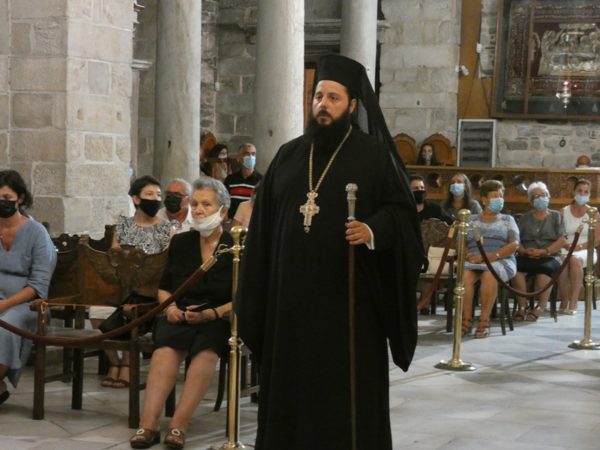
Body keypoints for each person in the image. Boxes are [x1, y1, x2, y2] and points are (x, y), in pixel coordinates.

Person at [236, 54, 423, 450]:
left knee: (342, 400)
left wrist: (372, 229)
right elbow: (263, 228)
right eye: (318, 96)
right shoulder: (288, 155)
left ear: (352, 105)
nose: (322, 104)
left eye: (333, 98)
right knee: (291, 396)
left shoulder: (373, 155)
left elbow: (402, 215)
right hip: (289, 310)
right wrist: (256, 297)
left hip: (349, 310)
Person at [129, 176, 232, 450]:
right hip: (180, 313)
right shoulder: (182, 242)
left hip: (217, 318)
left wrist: (212, 314)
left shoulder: (236, 245)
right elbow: (164, 288)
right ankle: (148, 425)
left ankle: (179, 424)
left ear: (223, 211)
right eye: (195, 204)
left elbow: (244, 296)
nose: (198, 210)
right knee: (165, 350)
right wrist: (171, 308)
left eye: (206, 204)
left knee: (205, 352)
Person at [90, 175, 174, 389]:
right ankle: (115, 361)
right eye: (149, 194)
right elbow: (114, 258)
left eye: (158, 195)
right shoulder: (124, 226)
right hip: (121, 286)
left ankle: (127, 364)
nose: (155, 199)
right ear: (136, 199)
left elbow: (166, 264)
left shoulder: (166, 228)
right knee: (96, 313)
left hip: (150, 291)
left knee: (132, 310)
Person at [0, 170, 57, 406]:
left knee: (5, 325)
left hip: (28, 305)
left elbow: (38, 284)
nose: (1, 202)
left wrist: (4, 304)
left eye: (6, 197)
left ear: (20, 198)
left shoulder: (36, 233)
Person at [462, 180, 519, 338]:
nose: (499, 199)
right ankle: (466, 320)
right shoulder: (471, 219)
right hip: (473, 259)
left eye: (501, 196)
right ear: (484, 199)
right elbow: (459, 243)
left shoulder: (508, 220)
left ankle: (484, 321)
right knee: (465, 276)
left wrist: (492, 256)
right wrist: (469, 255)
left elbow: (514, 244)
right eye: (495, 196)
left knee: (489, 274)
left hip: (501, 259)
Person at [512, 182, 566, 322]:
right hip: (527, 255)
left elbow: (562, 239)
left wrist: (544, 251)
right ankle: (522, 306)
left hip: (550, 256)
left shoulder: (556, 216)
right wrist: (524, 251)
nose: (540, 198)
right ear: (531, 201)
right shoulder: (525, 218)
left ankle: (540, 307)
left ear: (548, 197)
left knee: (544, 271)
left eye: (543, 195)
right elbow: (516, 239)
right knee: (514, 268)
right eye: (536, 196)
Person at [558, 179, 600, 314]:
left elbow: (596, 240)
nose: (582, 194)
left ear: (589, 194)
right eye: (579, 191)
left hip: (586, 249)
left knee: (575, 260)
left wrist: (580, 247)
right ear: (574, 192)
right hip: (565, 247)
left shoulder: (593, 213)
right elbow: (558, 234)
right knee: (564, 261)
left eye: (586, 192)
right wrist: (566, 244)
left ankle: (574, 301)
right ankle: (564, 300)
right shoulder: (563, 212)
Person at [223, 143, 263, 218]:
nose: (251, 157)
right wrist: (226, 221)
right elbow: (224, 203)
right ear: (239, 158)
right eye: (247, 154)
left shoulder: (261, 181)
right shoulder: (230, 180)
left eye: (253, 154)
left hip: (251, 222)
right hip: (232, 222)